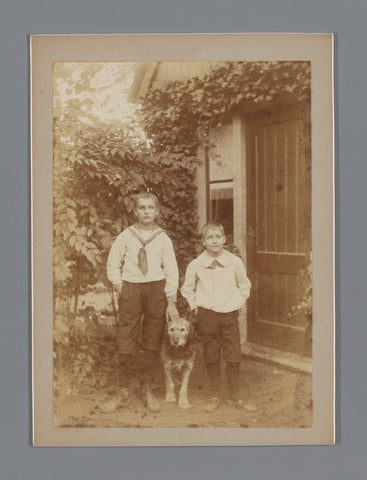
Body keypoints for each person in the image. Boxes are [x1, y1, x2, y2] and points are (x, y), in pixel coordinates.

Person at [102, 192, 179, 413]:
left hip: (156, 289)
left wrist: (171, 298)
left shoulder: (163, 238)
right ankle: (123, 391)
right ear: (134, 211)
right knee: (126, 337)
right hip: (131, 288)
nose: (146, 212)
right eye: (142, 208)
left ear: (157, 211)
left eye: (150, 208)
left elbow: (172, 270)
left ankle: (148, 388)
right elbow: (112, 265)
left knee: (152, 339)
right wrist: (121, 286)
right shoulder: (126, 236)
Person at [181, 221, 251, 412]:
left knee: (233, 353)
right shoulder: (196, 265)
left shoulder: (234, 262)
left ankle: (235, 397)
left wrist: (239, 303)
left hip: (229, 314)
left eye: (218, 237)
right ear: (204, 241)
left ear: (224, 239)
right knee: (211, 354)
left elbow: (244, 285)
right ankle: (214, 395)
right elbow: (187, 289)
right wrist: (195, 307)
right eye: (209, 237)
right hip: (207, 315)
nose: (214, 241)